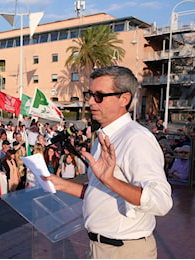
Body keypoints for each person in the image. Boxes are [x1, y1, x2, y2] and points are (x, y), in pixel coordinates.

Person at [44, 66, 172, 258]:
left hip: (125, 251)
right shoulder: (104, 137)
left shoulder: (136, 139)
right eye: (89, 94)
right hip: (99, 247)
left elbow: (161, 202)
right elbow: (100, 191)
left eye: (99, 96)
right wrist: (61, 184)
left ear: (124, 99)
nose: (90, 102)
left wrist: (110, 180)